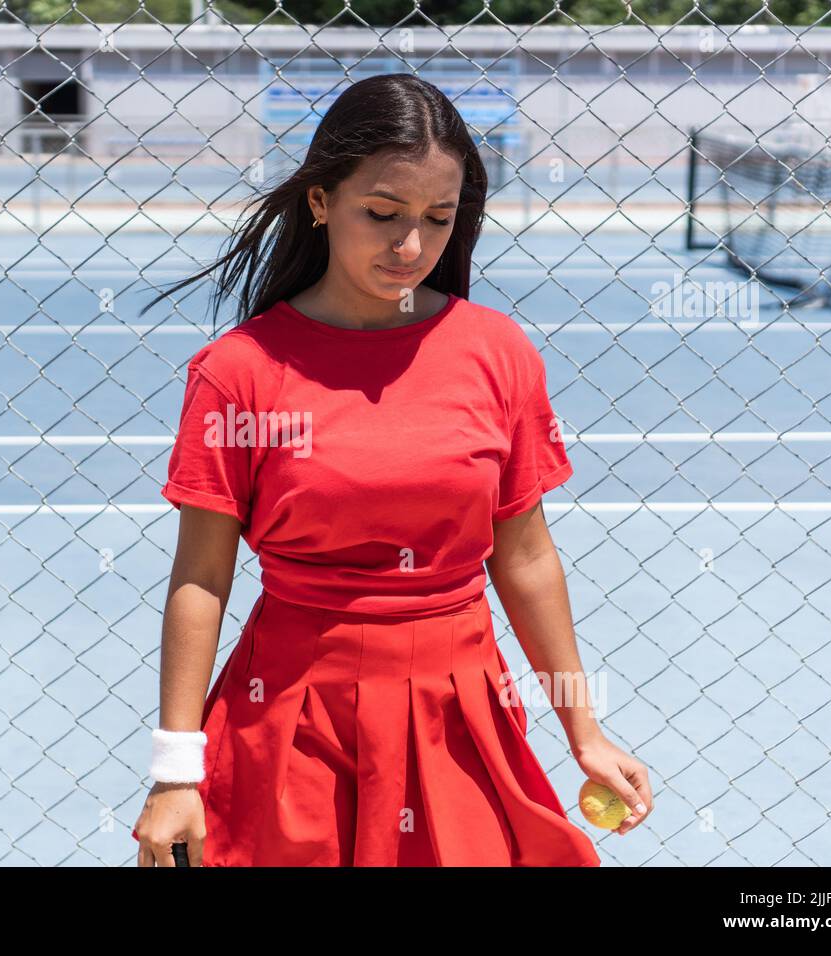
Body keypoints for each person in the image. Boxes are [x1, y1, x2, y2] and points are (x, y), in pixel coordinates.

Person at [132, 72, 652, 866]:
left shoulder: (498, 352)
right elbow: (202, 575)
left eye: (437, 219)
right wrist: (176, 771)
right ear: (319, 200)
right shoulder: (238, 372)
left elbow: (526, 556)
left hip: (460, 712)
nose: (410, 247)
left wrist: (584, 729)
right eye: (382, 214)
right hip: (292, 714)